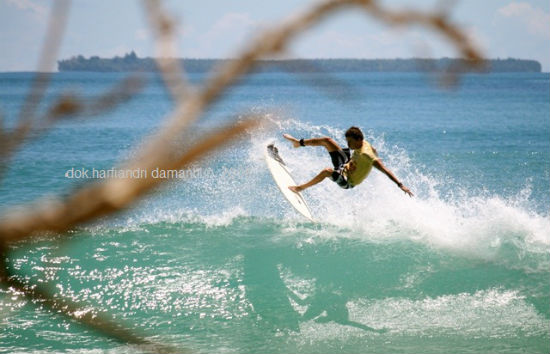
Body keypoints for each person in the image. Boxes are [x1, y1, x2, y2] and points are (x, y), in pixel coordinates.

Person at [283, 126, 413, 197]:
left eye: (350, 142)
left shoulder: (367, 155)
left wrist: (400, 185)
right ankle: (298, 143)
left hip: (347, 181)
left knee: (327, 171)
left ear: (358, 140)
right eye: (347, 141)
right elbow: (373, 149)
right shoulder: (364, 143)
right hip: (345, 164)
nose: (347, 144)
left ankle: (300, 188)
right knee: (327, 141)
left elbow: (385, 170)